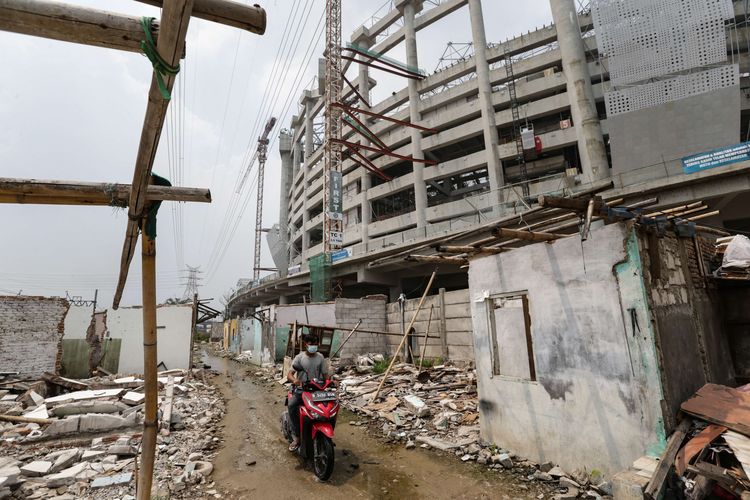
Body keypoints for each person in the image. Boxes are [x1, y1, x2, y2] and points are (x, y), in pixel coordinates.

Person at [286, 332, 328, 451]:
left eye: (315, 344)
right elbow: (290, 374)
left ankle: (325, 436)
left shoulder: (320, 357)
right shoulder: (300, 358)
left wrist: (331, 381)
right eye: (311, 344)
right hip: (302, 390)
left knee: (329, 408)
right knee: (292, 405)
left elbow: (325, 375)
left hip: (317, 391)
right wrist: (295, 381)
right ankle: (296, 436)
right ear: (306, 345)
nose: (313, 346)